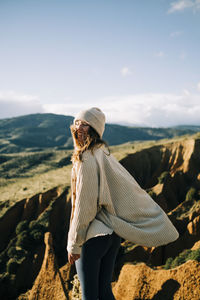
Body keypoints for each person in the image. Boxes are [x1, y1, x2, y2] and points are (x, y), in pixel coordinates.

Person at [67, 107, 179, 300]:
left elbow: (84, 207)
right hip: (111, 235)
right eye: (77, 122)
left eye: (85, 124)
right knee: (104, 291)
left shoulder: (86, 159)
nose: (79, 128)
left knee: (89, 296)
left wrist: (74, 244)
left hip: (93, 237)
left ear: (95, 130)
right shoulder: (103, 154)